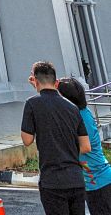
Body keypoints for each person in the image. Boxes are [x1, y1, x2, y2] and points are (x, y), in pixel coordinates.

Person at [21, 61, 89, 215]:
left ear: (35, 81)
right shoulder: (73, 108)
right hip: (76, 179)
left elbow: (27, 140)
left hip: (52, 180)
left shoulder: (32, 104)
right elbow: (85, 145)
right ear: (56, 82)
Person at [58, 76, 111, 215]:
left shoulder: (81, 117)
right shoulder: (77, 113)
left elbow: (86, 147)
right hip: (93, 181)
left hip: (99, 181)